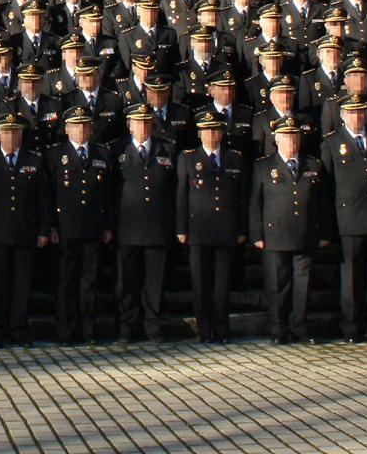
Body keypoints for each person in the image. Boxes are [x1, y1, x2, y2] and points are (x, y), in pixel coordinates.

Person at [319, 97, 367, 342]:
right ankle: (351, 326)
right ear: (342, 115)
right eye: (351, 113)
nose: (356, 118)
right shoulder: (331, 142)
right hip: (349, 218)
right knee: (351, 276)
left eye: (360, 112)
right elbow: (326, 186)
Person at [0, 113, 50, 346]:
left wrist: (44, 230)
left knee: (22, 286)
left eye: (15, 132)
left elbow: (43, 199)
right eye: (6, 132)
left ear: (21, 135)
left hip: (25, 233)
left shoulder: (34, 160)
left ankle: (19, 330)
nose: (10, 136)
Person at [248, 119, 330, 344]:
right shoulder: (263, 166)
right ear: (277, 140)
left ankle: (300, 327)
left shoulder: (313, 164)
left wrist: (324, 232)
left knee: (303, 284)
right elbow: (255, 203)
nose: (291, 141)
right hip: (275, 235)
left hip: (306, 233)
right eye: (286, 137)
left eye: (294, 136)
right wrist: (256, 235)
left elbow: (322, 202)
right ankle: (279, 329)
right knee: (278, 285)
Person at [176, 112, 246, 344]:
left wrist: (242, 229)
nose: (211, 135)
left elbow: (241, 197)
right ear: (199, 133)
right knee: (200, 284)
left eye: (216, 130)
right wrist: (181, 228)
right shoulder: (188, 158)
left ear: (222, 133)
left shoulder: (234, 158)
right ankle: (205, 331)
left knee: (222, 285)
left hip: (226, 229)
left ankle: (222, 330)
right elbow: (181, 196)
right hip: (198, 230)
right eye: (207, 130)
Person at [47, 107, 113, 344]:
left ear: (91, 128)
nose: (81, 130)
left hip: (93, 228)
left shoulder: (101, 152)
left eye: (85, 125)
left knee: (89, 282)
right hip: (65, 229)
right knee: (67, 282)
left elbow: (108, 194)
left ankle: (88, 331)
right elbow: (49, 193)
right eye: (76, 125)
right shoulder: (56, 154)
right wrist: (50, 226)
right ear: (67, 129)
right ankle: (66, 331)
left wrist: (108, 226)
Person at [113, 102, 176, 342]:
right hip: (127, 227)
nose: (142, 127)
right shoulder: (117, 149)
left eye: (146, 122)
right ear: (130, 125)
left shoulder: (167, 149)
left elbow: (173, 189)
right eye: (138, 122)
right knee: (127, 281)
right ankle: (127, 328)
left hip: (157, 226)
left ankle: (153, 326)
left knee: (155, 282)